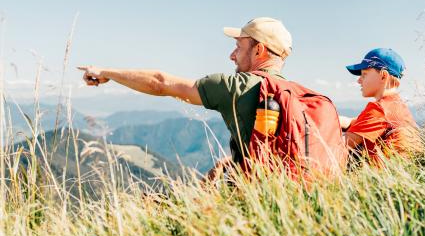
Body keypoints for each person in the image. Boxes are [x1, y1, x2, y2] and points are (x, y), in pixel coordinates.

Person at [78, 17, 292, 167]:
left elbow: (159, 83)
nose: (232, 55)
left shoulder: (236, 86)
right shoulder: (300, 97)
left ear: (259, 50)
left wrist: (105, 72)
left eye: (238, 46)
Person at [339, 48, 421, 165]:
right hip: (405, 173)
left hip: (387, 179)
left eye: (364, 74)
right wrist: (328, 118)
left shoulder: (379, 109)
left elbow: (340, 145)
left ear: (383, 76)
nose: (359, 80)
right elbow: (357, 123)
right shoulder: (396, 106)